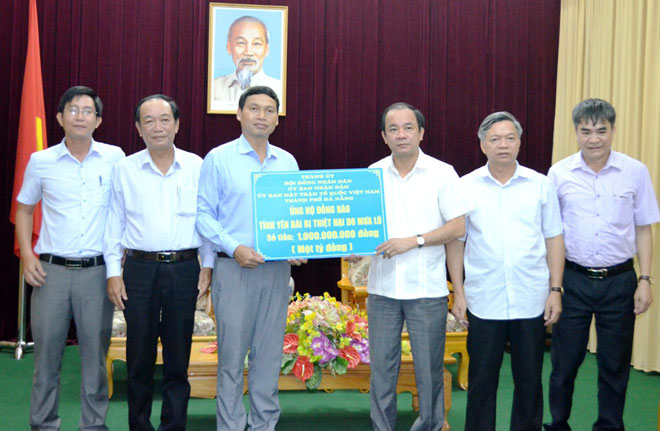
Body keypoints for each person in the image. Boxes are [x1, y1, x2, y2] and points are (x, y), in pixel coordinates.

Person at [544, 99, 660, 431]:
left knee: (614, 364)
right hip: (573, 280)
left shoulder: (635, 171)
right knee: (564, 363)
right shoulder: (559, 173)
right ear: (576, 132)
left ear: (612, 130)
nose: (594, 139)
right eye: (586, 131)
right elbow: (552, 233)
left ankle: (609, 426)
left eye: (601, 131)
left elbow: (643, 228)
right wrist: (553, 286)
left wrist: (646, 279)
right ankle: (558, 424)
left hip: (620, 280)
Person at [15, 86, 125, 430]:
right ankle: (43, 423)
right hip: (50, 272)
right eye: (73, 110)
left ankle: (93, 425)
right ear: (60, 118)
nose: (80, 115)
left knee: (94, 359)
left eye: (88, 110)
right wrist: (28, 257)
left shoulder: (115, 158)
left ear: (99, 120)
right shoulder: (41, 161)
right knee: (47, 357)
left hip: (97, 273)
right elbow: (23, 209)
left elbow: (124, 212)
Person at [197, 86, 304, 431]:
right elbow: (203, 215)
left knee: (269, 355)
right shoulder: (219, 158)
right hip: (235, 271)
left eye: (269, 110)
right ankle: (230, 426)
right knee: (231, 357)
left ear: (277, 118)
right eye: (254, 108)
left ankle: (264, 425)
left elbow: (296, 214)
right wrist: (233, 247)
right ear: (239, 114)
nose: (262, 115)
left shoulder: (287, 162)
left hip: (276, 273)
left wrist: (299, 245)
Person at [104, 94, 214, 431]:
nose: (158, 127)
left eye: (165, 119)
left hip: (185, 268)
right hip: (139, 270)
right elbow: (113, 224)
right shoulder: (124, 169)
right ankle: (139, 425)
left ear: (178, 124)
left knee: (178, 358)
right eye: (148, 120)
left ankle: (173, 426)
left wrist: (207, 264)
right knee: (139, 357)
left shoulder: (198, 166)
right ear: (138, 128)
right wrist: (113, 273)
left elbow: (208, 220)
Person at [449, 111, 564, 431]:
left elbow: (554, 237)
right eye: (495, 139)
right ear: (482, 144)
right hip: (484, 298)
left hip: (531, 297)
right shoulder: (465, 186)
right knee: (481, 379)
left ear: (519, 142)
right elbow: (456, 243)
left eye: (510, 138)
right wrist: (458, 292)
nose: (503, 144)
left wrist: (555, 289)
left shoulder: (540, 185)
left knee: (529, 380)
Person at [357, 102, 469, 431]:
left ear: (421, 133)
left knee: (430, 370)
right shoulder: (371, 174)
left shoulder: (442, 172)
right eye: (394, 129)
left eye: (408, 128)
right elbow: (364, 227)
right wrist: (355, 248)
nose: (401, 134)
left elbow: (457, 227)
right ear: (384, 136)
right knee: (381, 371)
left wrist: (413, 240)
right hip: (382, 290)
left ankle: (430, 426)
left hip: (427, 290)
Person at [212, 16, 282, 108]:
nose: (248, 52)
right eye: (241, 43)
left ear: (267, 49)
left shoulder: (280, 89)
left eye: (256, 43)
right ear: (229, 47)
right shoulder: (214, 87)